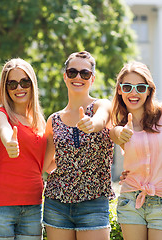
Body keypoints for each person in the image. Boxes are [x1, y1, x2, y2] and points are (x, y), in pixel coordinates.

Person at [42, 51, 115, 240]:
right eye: (72, 72)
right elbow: (45, 164)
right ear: (65, 75)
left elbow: (102, 119)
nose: (78, 77)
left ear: (92, 78)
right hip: (56, 203)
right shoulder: (54, 120)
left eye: (85, 73)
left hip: (93, 202)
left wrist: (92, 124)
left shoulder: (101, 106)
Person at [110, 62, 162, 240]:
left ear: (149, 90)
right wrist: (120, 132)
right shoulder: (119, 125)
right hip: (131, 200)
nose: (134, 93)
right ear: (119, 90)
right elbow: (115, 134)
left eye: (140, 87)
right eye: (127, 87)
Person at [0, 58, 47, 240]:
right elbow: (3, 129)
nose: (19, 88)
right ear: (5, 88)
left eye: (24, 82)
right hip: (1, 204)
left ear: (32, 84)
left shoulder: (40, 123)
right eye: (12, 84)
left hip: (34, 205)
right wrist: (9, 141)